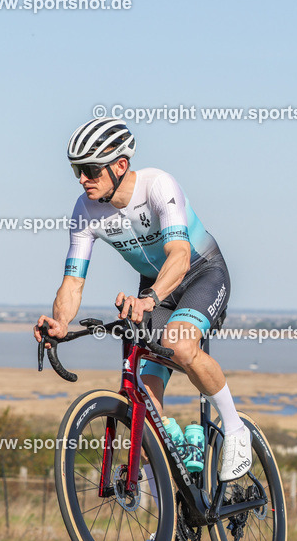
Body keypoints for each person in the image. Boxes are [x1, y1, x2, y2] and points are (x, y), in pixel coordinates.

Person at [33, 117, 252, 480]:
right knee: (144, 400)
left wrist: (150, 298)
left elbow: (180, 254)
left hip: (201, 273)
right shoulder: (85, 211)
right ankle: (169, 498)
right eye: (76, 171)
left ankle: (235, 429)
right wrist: (61, 322)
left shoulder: (157, 185)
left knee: (178, 345)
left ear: (120, 165)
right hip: (154, 288)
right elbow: (72, 282)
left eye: (91, 170)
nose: (83, 179)